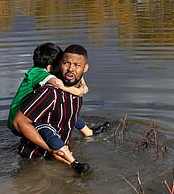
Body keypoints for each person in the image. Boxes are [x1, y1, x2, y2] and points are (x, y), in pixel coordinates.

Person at [13, 44, 108, 174]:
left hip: (54, 158)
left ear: (85, 68)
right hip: (35, 160)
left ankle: (89, 133)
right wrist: (51, 149)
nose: (70, 69)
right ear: (59, 65)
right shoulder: (49, 92)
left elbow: (70, 116)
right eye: (66, 63)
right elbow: (19, 122)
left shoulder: (76, 92)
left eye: (76, 65)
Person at [7, 43, 93, 145]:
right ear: (49, 67)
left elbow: (76, 71)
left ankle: (88, 132)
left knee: (64, 110)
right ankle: (56, 148)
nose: (67, 68)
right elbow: (57, 83)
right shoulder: (40, 73)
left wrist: (83, 84)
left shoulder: (36, 71)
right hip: (18, 120)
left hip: (21, 115)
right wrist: (79, 91)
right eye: (63, 64)